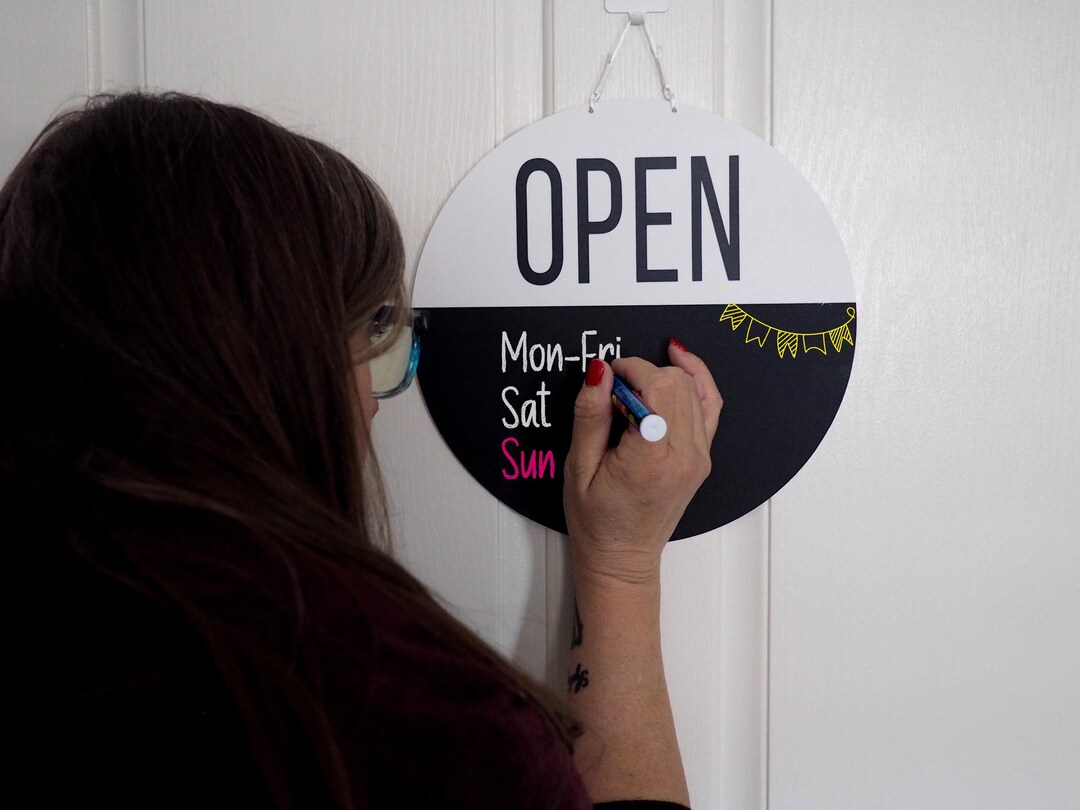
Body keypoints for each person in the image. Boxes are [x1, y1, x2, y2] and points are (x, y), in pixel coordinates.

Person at [0, 93, 721, 808]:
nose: (375, 401)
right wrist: (621, 570)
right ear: (282, 366)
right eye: (368, 344)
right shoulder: (400, 722)